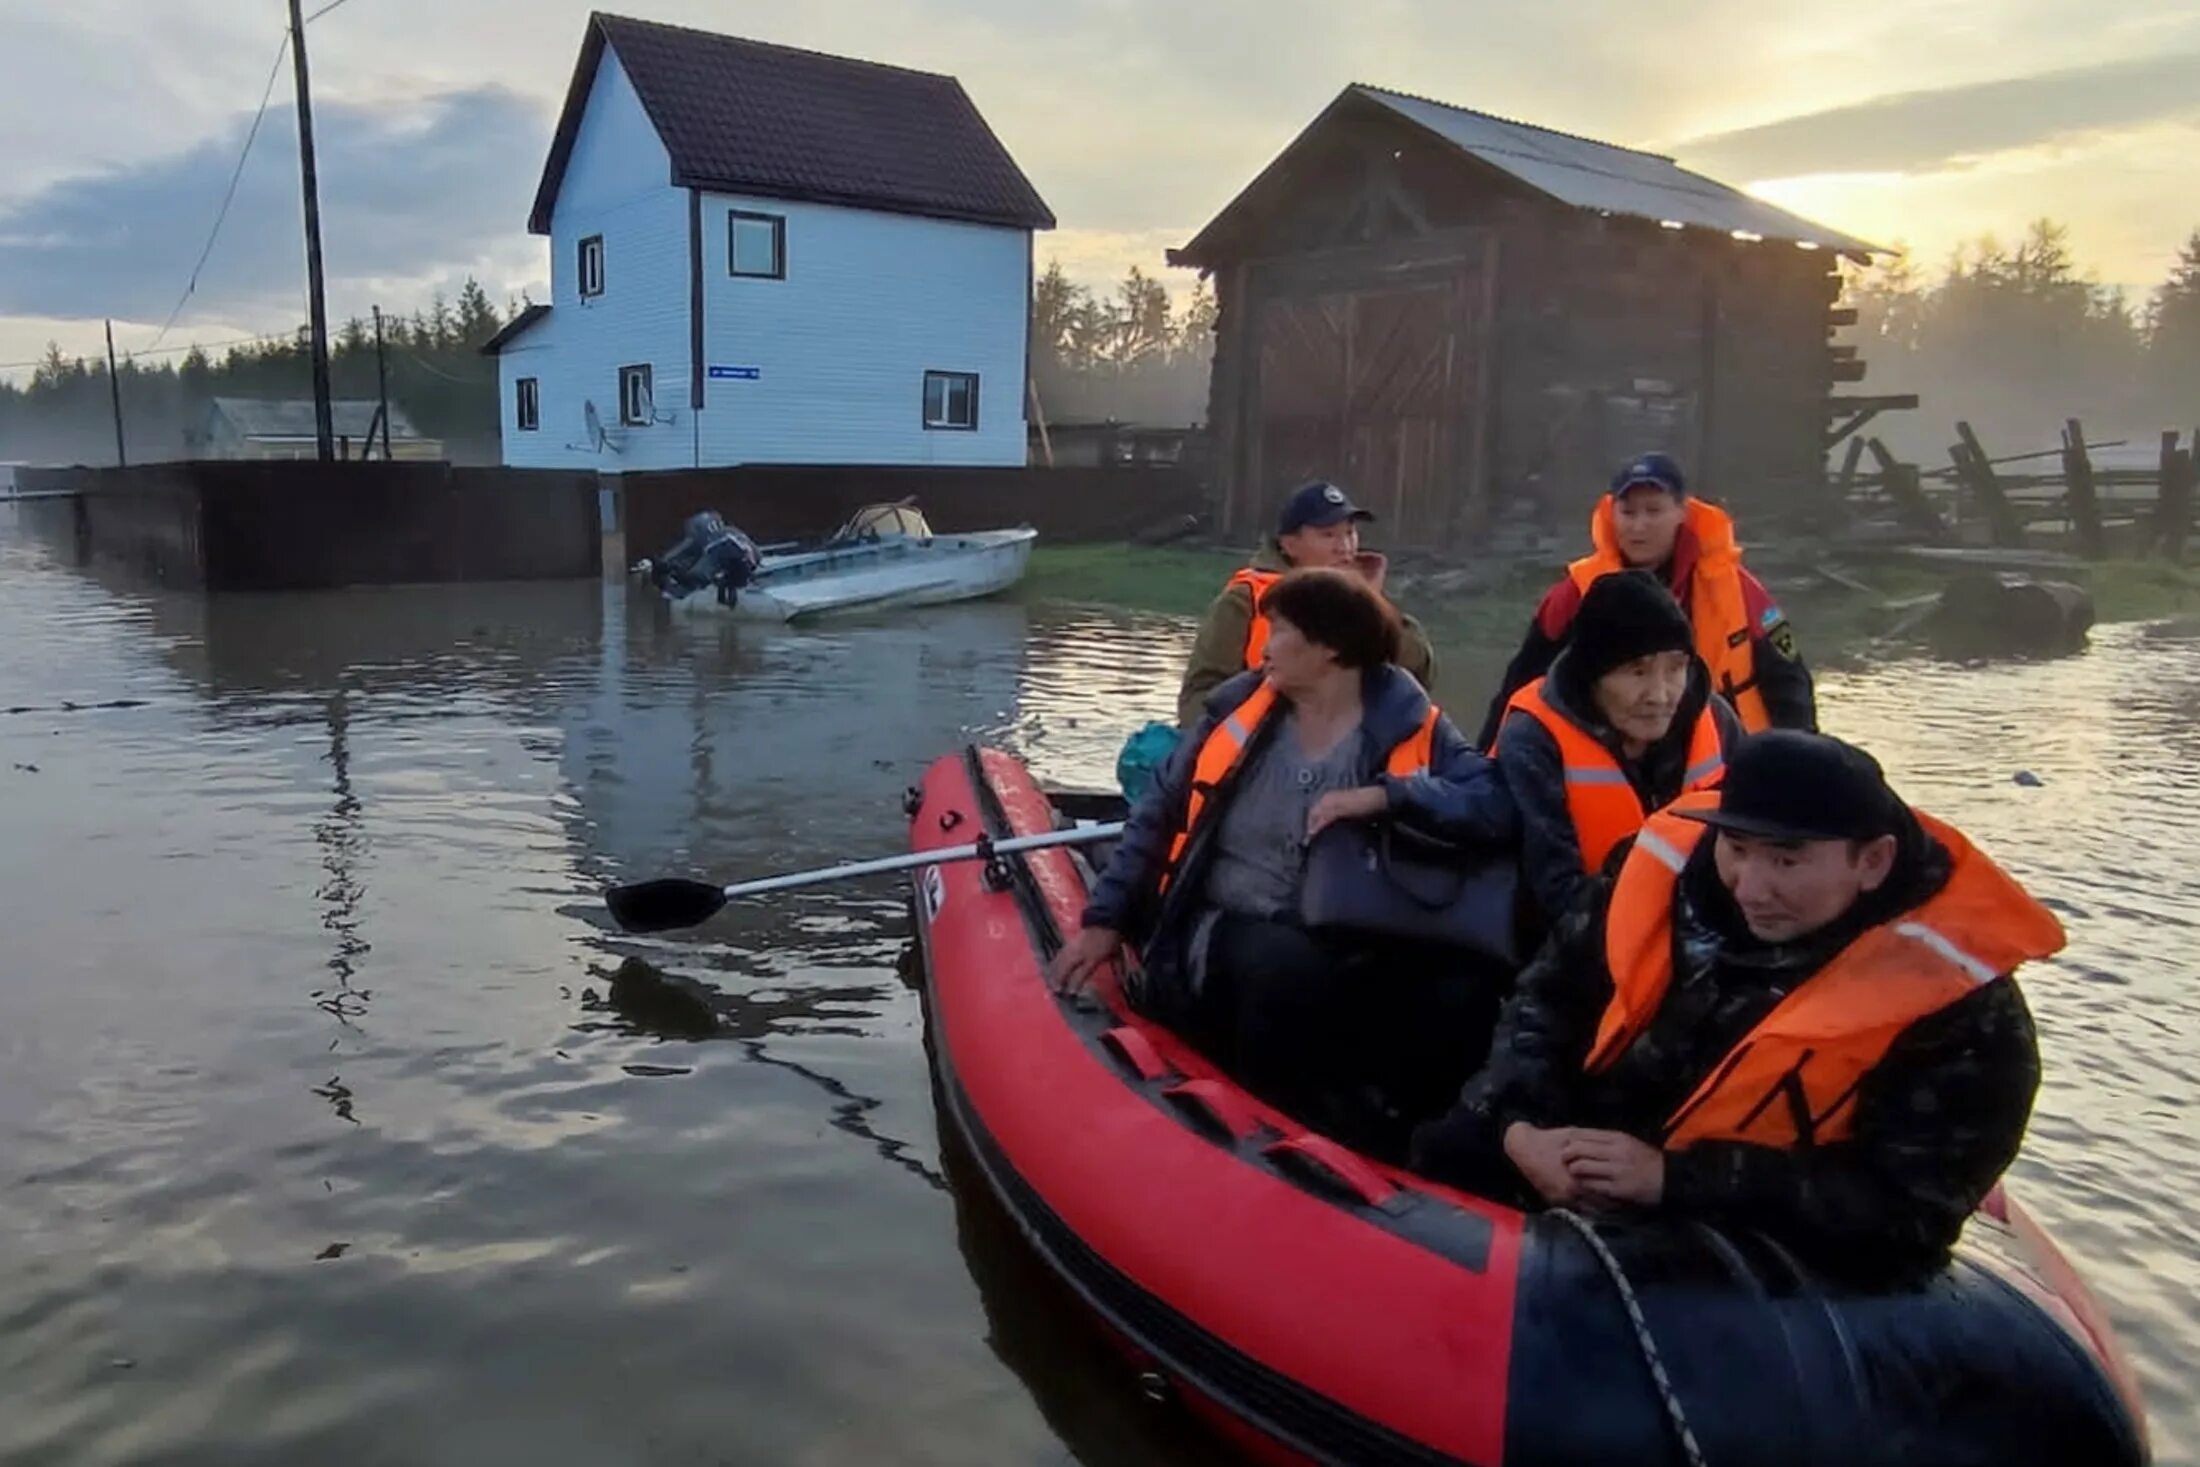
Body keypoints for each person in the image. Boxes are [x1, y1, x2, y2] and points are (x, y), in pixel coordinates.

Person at [1410, 731, 2058, 1278]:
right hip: (1573, 1145)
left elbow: (1907, 1208)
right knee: (1449, 1144)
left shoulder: (1964, 1008)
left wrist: (1672, 1180)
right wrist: (1522, 1126)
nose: (1752, 886)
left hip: (1739, 1227)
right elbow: (1546, 999)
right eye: (1737, 849)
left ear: (1873, 860)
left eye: (1786, 859)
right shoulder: (1654, 878)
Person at [1054, 567, 1514, 1148]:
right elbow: (1155, 817)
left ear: (1329, 648)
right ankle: (1283, 1133)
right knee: (1287, 967)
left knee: (1462, 991)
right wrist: (1105, 922)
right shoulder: (1238, 711)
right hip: (1228, 925)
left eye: (1280, 631)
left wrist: (1390, 794)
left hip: (1356, 929)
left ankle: (1414, 1142)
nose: (1265, 646)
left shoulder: (1409, 721)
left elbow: (1493, 804)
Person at [1476, 453, 1813, 746]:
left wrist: (1801, 760)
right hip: (1618, 756)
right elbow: (1519, 687)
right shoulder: (1575, 594)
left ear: (1682, 511)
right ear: (1612, 513)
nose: (1639, 526)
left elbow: (1790, 682)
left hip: (1729, 759)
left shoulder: (1740, 590)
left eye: (1653, 511)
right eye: (1628, 512)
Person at [1493, 569, 1740, 927]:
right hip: (1574, 948)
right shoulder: (1533, 740)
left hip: (1703, 929)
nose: (1660, 695)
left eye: (1675, 668)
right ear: (1592, 677)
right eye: (1637, 672)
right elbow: (1555, 897)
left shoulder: (1715, 718)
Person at [1178, 480, 1437, 729]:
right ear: (1290, 545)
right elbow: (1196, 698)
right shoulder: (1243, 602)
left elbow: (1420, 673)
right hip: (1259, 754)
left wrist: (1371, 606)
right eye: (1328, 535)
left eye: (1350, 533)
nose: (1344, 547)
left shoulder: (1365, 598)